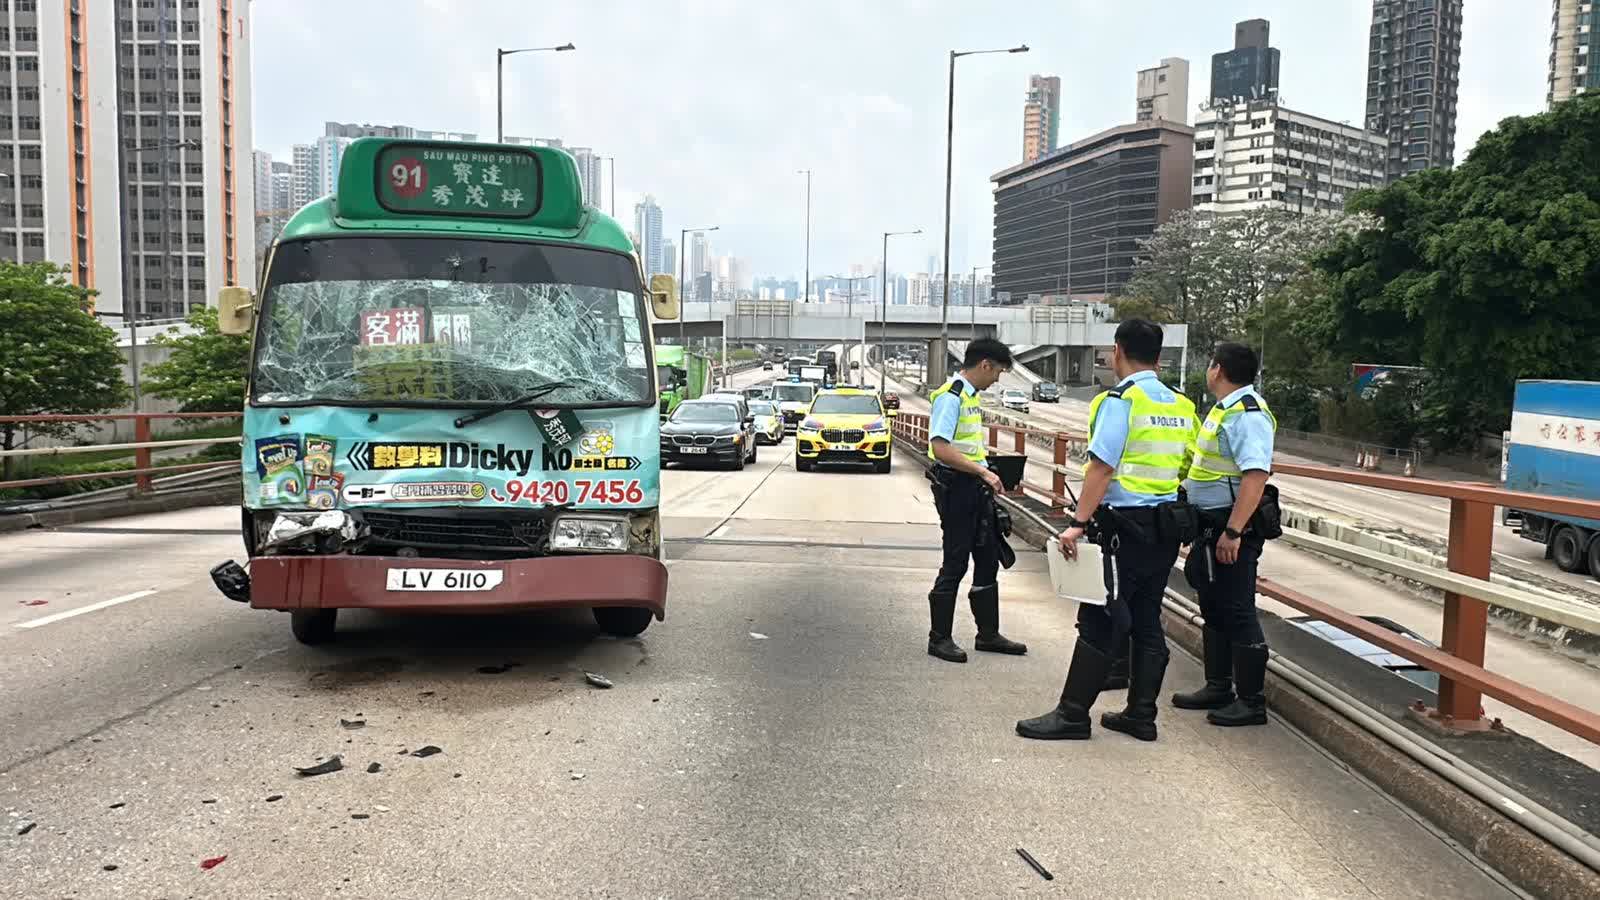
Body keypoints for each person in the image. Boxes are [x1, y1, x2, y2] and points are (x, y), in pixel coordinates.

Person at [1017, 319, 1196, 742]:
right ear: (1159, 356)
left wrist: (1078, 524)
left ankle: (1073, 715)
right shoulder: (1181, 405)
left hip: (1123, 527)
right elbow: (1186, 463)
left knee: (1099, 616)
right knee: (1147, 618)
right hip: (1164, 527)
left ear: (1117, 351)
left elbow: (1101, 466)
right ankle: (1140, 715)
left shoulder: (1120, 401)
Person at [1170, 342, 1277, 727]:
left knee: (1238, 609)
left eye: (1211, 365)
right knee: (1213, 606)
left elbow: (1255, 476)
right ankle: (1218, 686)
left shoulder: (1248, 414)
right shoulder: (1224, 409)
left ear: (1218, 369)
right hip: (1210, 526)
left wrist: (1234, 531)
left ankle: (1251, 702)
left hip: (1232, 529)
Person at [924, 338, 1027, 663]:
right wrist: (982, 472)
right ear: (985, 365)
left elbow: (966, 446)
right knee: (955, 562)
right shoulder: (951, 397)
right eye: (997, 372)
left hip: (976, 488)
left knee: (987, 557)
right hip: (957, 490)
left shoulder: (970, 397)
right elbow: (940, 448)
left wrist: (988, 469)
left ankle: (988, 634)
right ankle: (939, 638)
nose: (996, 380)